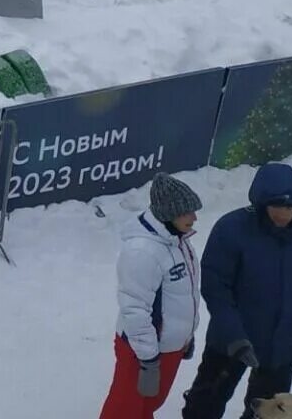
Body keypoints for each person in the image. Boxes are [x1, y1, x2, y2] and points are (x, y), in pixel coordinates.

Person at [181, 163, 292, 419]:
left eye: (290, 207)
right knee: (205, 404)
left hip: (285, 342)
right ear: (261, 204)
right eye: (277, 206)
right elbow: (216, 288)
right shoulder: (231, 229)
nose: (284, 213)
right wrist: (233, 336)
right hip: (233, 342)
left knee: (267, 413)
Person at [99, 174, 203, 419]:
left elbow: (182, 295)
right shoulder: (142, 251)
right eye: (187, 212)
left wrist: (186, 336)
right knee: (124, 411)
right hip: (143, 350)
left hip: (168, 347)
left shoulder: (178, 240)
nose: (195, 218)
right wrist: (148, 358)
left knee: (147, 406)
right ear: (169, 213)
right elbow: (134, 308)